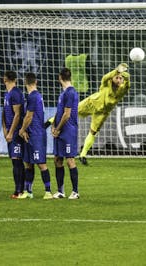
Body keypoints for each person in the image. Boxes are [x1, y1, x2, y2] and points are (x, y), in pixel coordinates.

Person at [78, 63, 130, 165]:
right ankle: (50, 121)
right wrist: (117, 70)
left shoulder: (122, 90)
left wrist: (127, 77)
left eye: (121, 78)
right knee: (71, 112)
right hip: (91, 103)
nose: (119, 80)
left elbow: (127, 85)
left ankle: (82, 155)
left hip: (102, 113)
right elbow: (105, 77)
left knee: (93, 132)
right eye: (117, 77)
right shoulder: (106, 83)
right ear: (113, 78)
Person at [18, 72, 53, 200]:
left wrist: (22, 130)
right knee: (28, 163)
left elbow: (29, 116)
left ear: (25, 83)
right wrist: (26, 131)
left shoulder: (33, 97)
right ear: (36, 82)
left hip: (37, 135)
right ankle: (29, 191)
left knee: (41, 163)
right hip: (31, 133)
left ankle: (48, 191)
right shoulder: (35, 96)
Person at [51, 68, 80, 199]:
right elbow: (60, 111)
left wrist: (57, 129)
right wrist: (53, 125)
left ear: (59, 77)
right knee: (57, 159)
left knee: (70, 160)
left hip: (68, 131)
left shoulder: (70, 93)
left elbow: (67, 115)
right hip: (60, 131)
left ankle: (75, 191)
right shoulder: (63, 93)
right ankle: (61, 191)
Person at [1, 70, 26, 199]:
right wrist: (4, 129)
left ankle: (19, 190)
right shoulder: (7, 94)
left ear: (4, 79)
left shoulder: (16, 93)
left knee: (17, 161)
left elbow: (17, 115)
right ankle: (20, 189)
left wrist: (10, 132)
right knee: (15, 161)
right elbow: (4, 112)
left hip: (16, 133)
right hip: (10, 132)